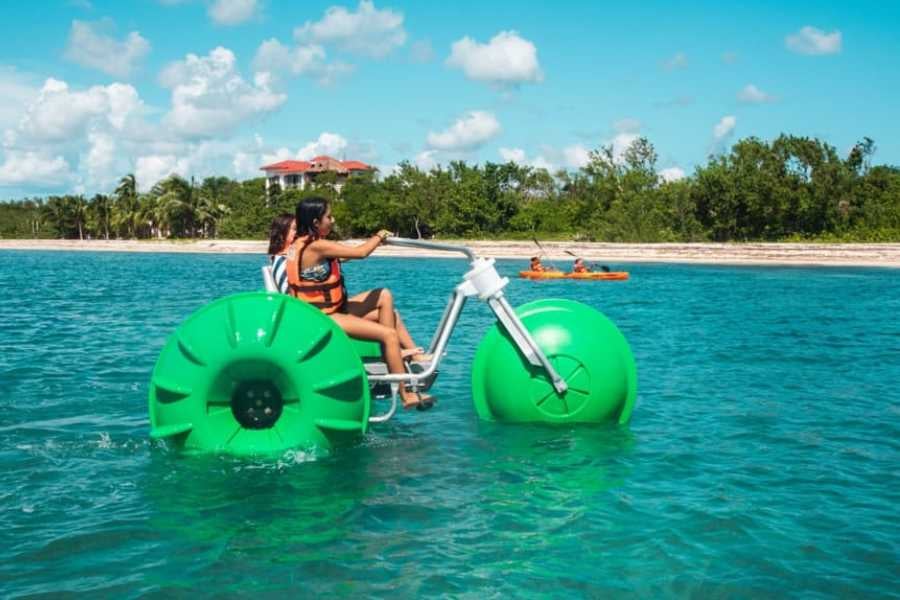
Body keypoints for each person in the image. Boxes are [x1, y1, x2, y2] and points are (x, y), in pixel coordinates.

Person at [286, 197, 434, 410]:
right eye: (329, 216)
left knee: (384, 295)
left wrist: (369, 244)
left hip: (331, 309)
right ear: (316, 222)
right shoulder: (317, 246)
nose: (333, 220)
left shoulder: (302, 244)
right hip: (324, 318)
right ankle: (405, 395)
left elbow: (338, 258)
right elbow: (361, 253)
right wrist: (380, 235)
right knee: (389, 334)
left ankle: (389, 355)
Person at [267, 213, 296, 294]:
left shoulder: (289, 259)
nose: (300, 232)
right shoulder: (281, 262)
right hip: (299, 305)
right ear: (282, 233)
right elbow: (289, 295)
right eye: (295, 229)